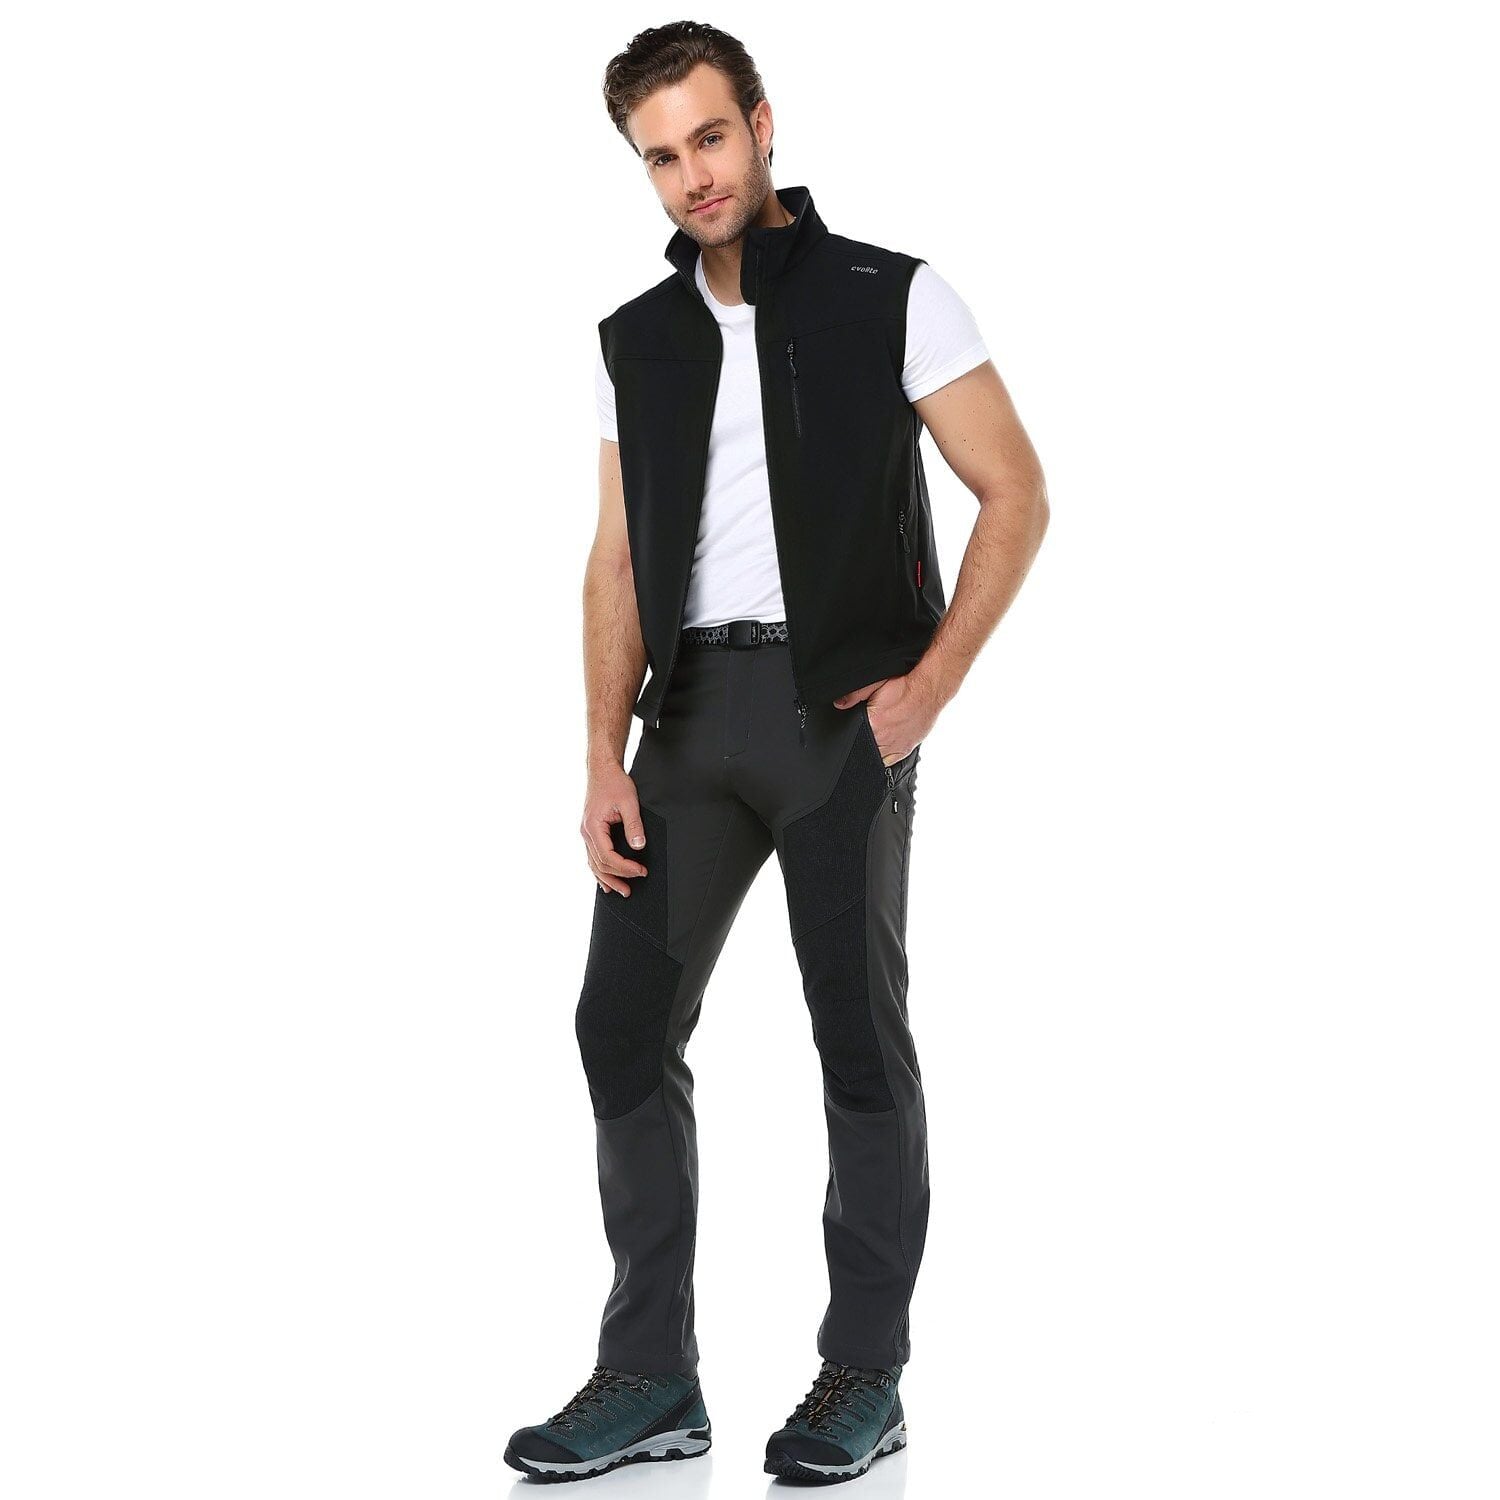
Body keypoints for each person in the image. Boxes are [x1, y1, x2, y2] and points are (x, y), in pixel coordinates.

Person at [504, 20, 1049, 1485]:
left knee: (855, 1036)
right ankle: (648, 1376)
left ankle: (864, 1373)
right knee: (620, 1026)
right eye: (659, 157)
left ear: (760, 123)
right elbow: (618, 560)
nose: (692, 175)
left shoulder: (895, 296)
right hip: (687, 727)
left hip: (840, 721)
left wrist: (929, 689)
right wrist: (601, 754)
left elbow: (1014, 492)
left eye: (708, 138)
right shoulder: (636, 339)